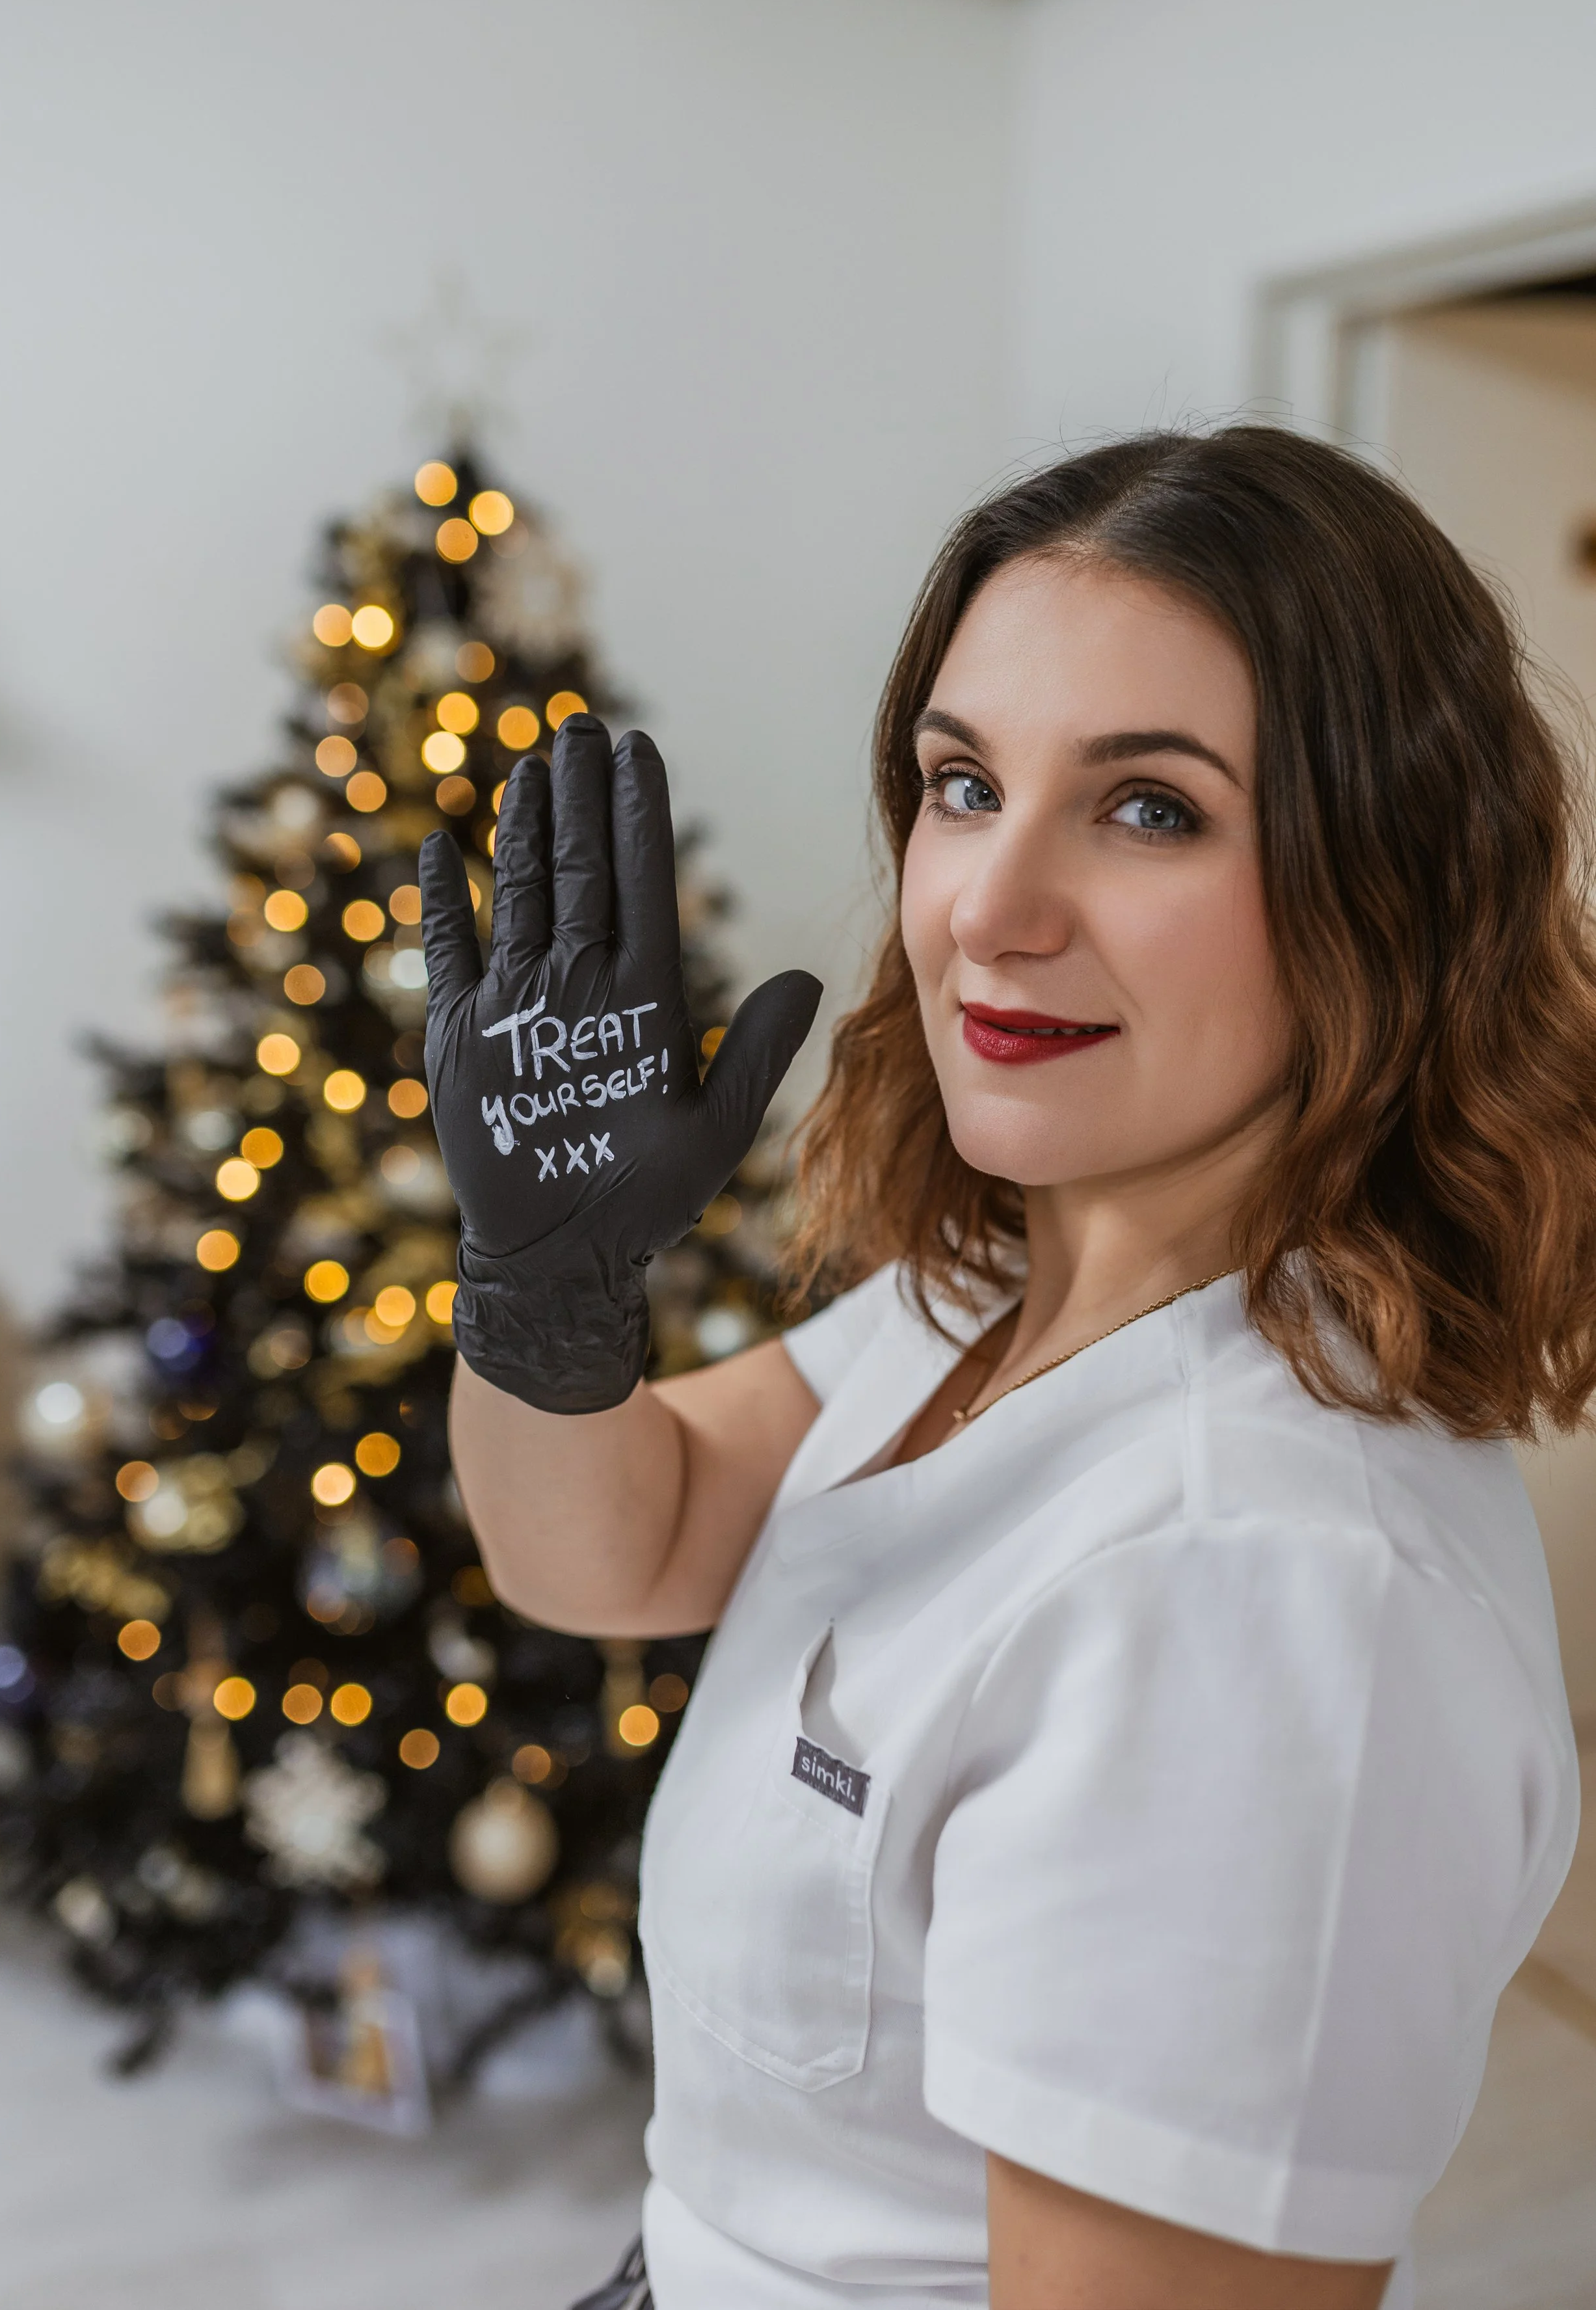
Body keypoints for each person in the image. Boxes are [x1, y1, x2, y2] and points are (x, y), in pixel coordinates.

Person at [419, 427, 1595, 2310]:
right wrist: (538, 1298)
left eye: (1148, 808)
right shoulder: (980, 1298)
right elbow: (606, 1551)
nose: (987, 904)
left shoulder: (1257, 1597)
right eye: (963, 782)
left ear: (1384, 881)